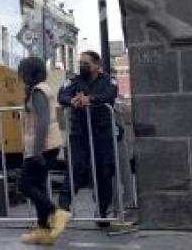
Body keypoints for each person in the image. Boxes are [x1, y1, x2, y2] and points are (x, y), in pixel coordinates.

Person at [58, 51, 119, 227]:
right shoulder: (74, 80)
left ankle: (102, 211)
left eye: (86, 63)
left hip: (101, 133)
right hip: (80, 132)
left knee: (104, 172)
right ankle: (62, 209)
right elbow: (61, 95)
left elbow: (109, 95)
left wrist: (89, 99)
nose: (82, 66)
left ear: (97, 65)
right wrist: (73, 101)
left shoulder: (108, 80)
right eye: (81, 63)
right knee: (74, 169)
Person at [17, 57, 72, 245]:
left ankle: (56, 213)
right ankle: (44, 230)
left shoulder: (39, 91)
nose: (20, 76)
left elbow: (42, 123)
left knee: (24, 185)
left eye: (22, 72)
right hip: (48, 146)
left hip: (42, 147)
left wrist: (37, 151)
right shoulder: (42, 89)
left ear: (28, 73)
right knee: (38, 187)